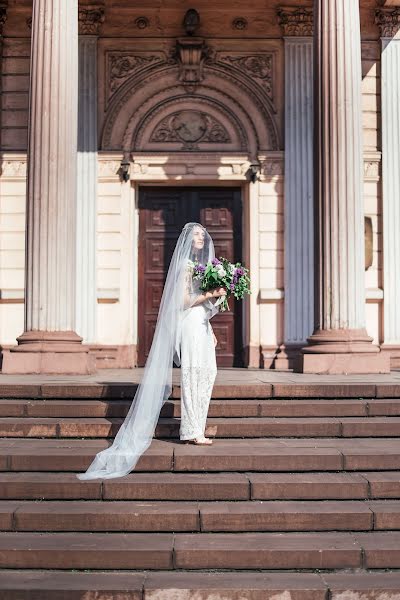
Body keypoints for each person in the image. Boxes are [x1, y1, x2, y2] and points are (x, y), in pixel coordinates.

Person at [76, 222, 226, 480]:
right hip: (189, 324)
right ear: (188, 240)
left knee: (208, 372)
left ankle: (197, 427)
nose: (201, 237)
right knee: (192, 373)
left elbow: (202, 303)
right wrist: (209, 294)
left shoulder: (205, 268)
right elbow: (182, 301)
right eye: (196, 234)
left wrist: (212, 318)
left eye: (203, 234)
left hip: (201, 324)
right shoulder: (184, 267)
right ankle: (193, 431)